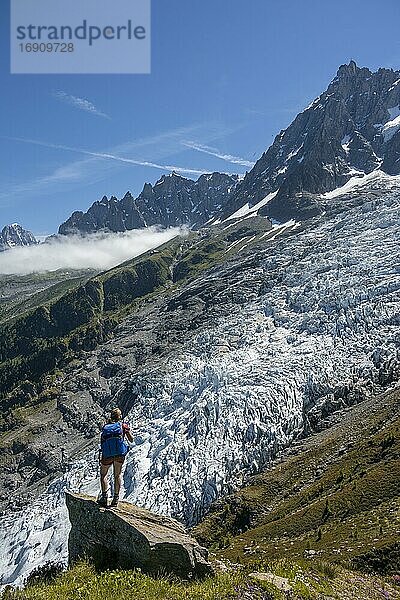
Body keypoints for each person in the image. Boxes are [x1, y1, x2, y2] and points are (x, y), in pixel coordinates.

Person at [98, 407, 133, 508]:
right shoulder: (123, 426)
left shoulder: (106, 427)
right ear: (120, 416)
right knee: (117, 475)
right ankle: (115, 499)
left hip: (107, 454)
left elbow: (102, 441)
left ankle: (104, 497)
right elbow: (131, 440)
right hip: (119, 454)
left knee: (103, 474)